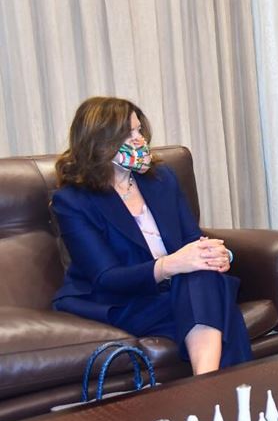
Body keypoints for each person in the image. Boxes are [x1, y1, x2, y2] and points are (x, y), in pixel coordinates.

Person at [52, 97, 252, 374]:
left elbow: (191, 239)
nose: (140, 139)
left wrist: (217, 255)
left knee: (204, 279)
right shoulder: (73, 200)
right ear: (99, 142)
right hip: (120, 300)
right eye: (128, 133)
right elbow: (106, 278)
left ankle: (206, 383)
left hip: (175, 290)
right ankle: (219, 389)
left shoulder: (161, 179)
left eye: (139, 130)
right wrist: (171, 265)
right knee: (216, 303)